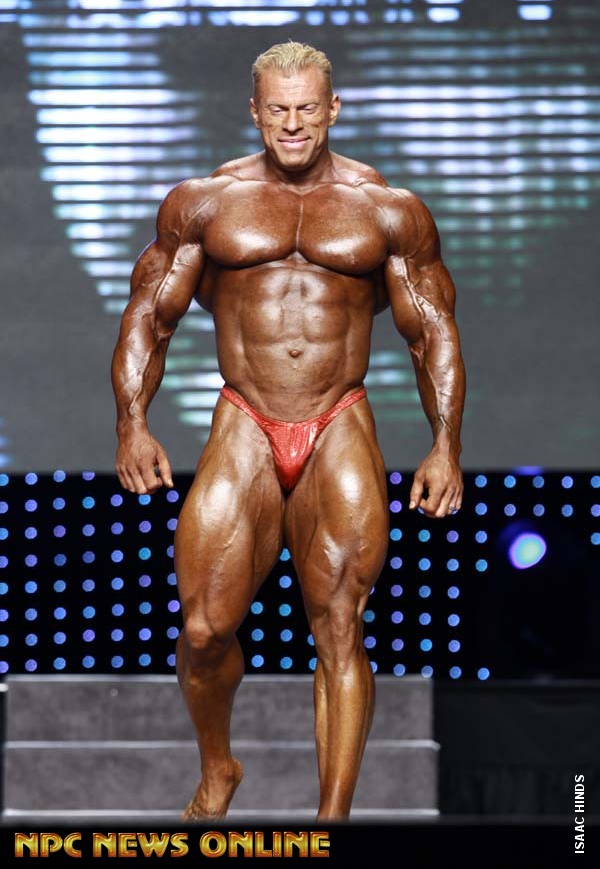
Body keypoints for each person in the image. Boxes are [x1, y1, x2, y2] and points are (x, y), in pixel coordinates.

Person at [111, 41, 466, 821]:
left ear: (333, 109)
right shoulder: (205, 203)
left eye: (308, 108)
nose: (294, 124)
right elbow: (150, 317)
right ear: (255, 110)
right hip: (245, 417)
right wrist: (132, 424)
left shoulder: (387, 209)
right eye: (279, 109)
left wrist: (446, 446)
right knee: (204, 628)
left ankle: (332, 825)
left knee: (339, 626)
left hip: (339, 416)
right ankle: (218, 767)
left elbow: (431, 332)